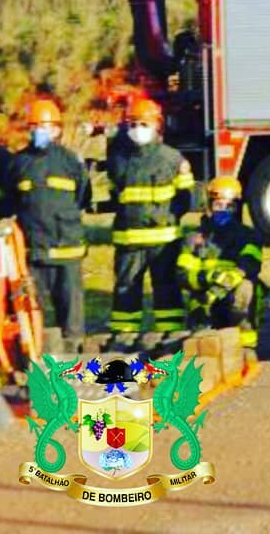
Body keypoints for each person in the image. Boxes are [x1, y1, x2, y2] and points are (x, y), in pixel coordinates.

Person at [108, 97, 194, 351]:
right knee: (126, 288)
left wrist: (167, 219)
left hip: (163, 239)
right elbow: (116, 194)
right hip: (129, 240)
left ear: (157, 126)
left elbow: (186, 198)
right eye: (133, 123)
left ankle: (170, 330)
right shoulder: (119, 158)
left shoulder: (172, 159)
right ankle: (124, 334)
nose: (137, 129)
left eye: (143, 123)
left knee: (166, 285)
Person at [9, 99, 90, 350]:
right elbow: (13, 203)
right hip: (33, 254)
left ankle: (75, 356)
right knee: (34, 312)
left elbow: (83, 197)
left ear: (57, 130)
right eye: (33, 127)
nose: (38, 132)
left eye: (44, 126)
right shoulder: (18, 164)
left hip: (67, 252)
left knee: (71, 312)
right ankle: (39, 359)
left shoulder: (70, 162)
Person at [176, 176, 263, 352]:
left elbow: (251, 264)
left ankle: (246, 344)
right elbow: (183, 275)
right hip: (205, 299)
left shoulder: (248, 236)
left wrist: (230, 278)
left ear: (237, 207)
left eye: (229, 206)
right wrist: (210, 278)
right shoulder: (194, 238)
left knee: (247, 288)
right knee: (205, 349)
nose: (223, 210)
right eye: (218, 205)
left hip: (232, 294)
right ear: (208, 205)